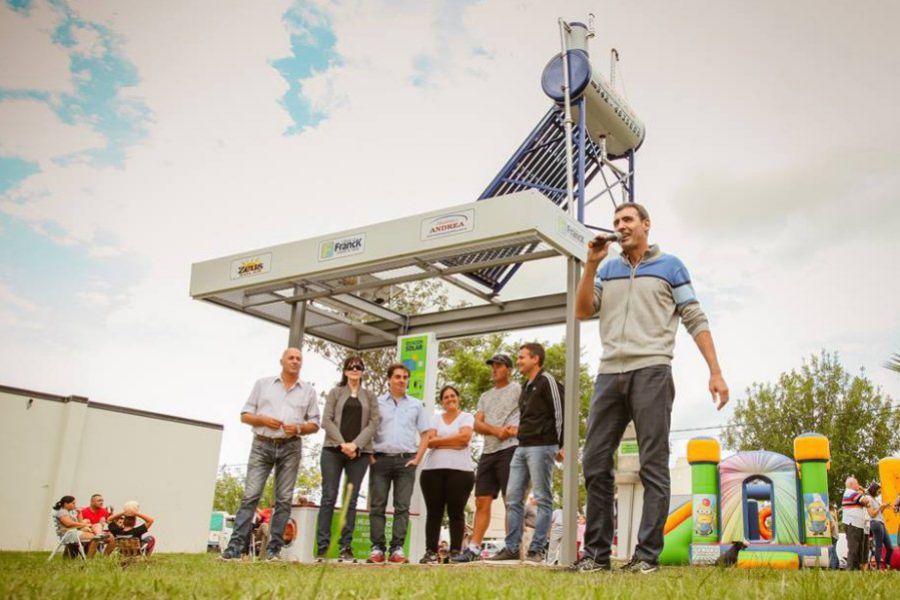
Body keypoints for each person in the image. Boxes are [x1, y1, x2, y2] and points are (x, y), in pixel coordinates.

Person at [574, 202, 729, 574]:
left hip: (652, 370)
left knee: (653, 465)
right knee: (594, 462)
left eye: (627, 219)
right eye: (615, 221)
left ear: (646, 224)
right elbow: (582, 310)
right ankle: (596, 556)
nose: (620, 226)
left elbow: (694, 316)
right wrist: (591, 263)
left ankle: (646, 556)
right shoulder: (607, 268)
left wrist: (715, 371)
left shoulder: (670, 266)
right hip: (609, 373)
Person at [221, 347, 320, 561]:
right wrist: (263, 420)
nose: (295, 361)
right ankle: (235, 547)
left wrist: (299, 428)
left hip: (290, 446)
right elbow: (245, 415)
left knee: (284, 499)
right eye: (291, 358)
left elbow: (315, 424)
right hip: (262, 444)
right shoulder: (263, 384)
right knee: (251, 495)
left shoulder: (308, 391)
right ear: (282, 361)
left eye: (298, 359)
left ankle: (274, 550)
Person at [488, 342, 564, 564]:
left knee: (542, 497)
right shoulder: (526, 386)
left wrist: (561, 444)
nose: (518, 361)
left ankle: (537, 550)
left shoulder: (547, 381)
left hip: (543, 446)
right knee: (513, 497)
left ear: (535, 359)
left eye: (522, 357)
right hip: (522, 447)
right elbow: (530, 418)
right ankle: (512, 548)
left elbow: (560, 412)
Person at [453, 354, 521, 564]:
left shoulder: (518, 389)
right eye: (493, 366)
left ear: (509, 369)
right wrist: (497, 430)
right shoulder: (485, 396)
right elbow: (477, 424)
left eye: (499, 366)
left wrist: (515, 430)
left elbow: (529, 414)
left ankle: (512, 547)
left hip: (511, 449)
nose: (494, 369)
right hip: (488, 452)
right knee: (481, 500)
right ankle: (473, 548)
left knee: (511, 500)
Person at [317, 356, 380, 562]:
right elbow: (326, 420)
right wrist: (343, 444)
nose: (355, 370)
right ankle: (323, 547)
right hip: (333, 451)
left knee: (350, 500)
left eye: (359, 367)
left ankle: (346, 546)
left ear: (362, 372)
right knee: (329, 496)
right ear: (345, 371)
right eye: (351, 367)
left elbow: (373, 423)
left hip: (358, 454)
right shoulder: (335, 393)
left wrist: (356, 445)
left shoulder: (369, 396)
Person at [367, 363, 431, 564]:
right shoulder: (377, 403)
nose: (402, 380)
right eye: (397, 377)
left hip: (406, 462)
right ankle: (377, 548)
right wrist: (370, 455)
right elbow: (367, 429)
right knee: (377, 506)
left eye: (405, 377)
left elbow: (426, 434)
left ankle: (397, 549)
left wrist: (417, 459)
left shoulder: (416, 405)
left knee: (402, 507)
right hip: (380, 460)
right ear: (389, 379)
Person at [418, 385, 475, 564]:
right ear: (442, 402)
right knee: (434, 513)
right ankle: (430, 552)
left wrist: (439, 441)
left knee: (456, 513)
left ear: (458, 398)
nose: (450, 399)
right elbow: (429, 442)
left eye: (452, 396)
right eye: (445, 397)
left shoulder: (467, 417)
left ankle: (456, 552)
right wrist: (453, 440)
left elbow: (464, 439)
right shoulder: (435, 418)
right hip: (432, 471)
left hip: (461, 472)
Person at [841, 476, 870, 570]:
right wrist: (862, 493)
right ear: (851, 484)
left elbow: (865, 502)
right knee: (854, 549)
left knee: (858, 549)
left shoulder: (854, 493)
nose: (859, 485)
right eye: (857, 483)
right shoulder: (851, 492)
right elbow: (866, 501)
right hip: (852, 524)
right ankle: (850, 569)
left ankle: (856, 569)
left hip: (857, 524)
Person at [866, 482, 892, 570]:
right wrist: (881, 506)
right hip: (875, 523)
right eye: (878, 491)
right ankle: (878, 567)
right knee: (879, 546)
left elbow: (879, 513)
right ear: (874, 489)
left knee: (890, 548)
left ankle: (886, 565)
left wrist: (884, 507)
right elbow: (872, 514)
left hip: (881, 523)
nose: (879, 493)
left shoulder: (875, 499)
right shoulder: (868, 498)